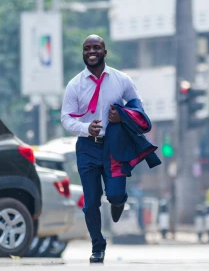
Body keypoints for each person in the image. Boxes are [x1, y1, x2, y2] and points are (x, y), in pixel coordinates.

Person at [60, 35, 144, 264]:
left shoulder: (121, 80)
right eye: (87, 48)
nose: (91, 51)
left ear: (104, 51)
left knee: (115, 194)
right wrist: (87, 128)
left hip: (114, 146)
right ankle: (98, 245)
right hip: (87, 147)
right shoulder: (75, 85)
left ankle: (119, 201)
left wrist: (122, 116)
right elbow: (66, 119)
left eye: (96, 47)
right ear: (83, 53)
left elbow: (138, 107)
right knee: (91, 203)